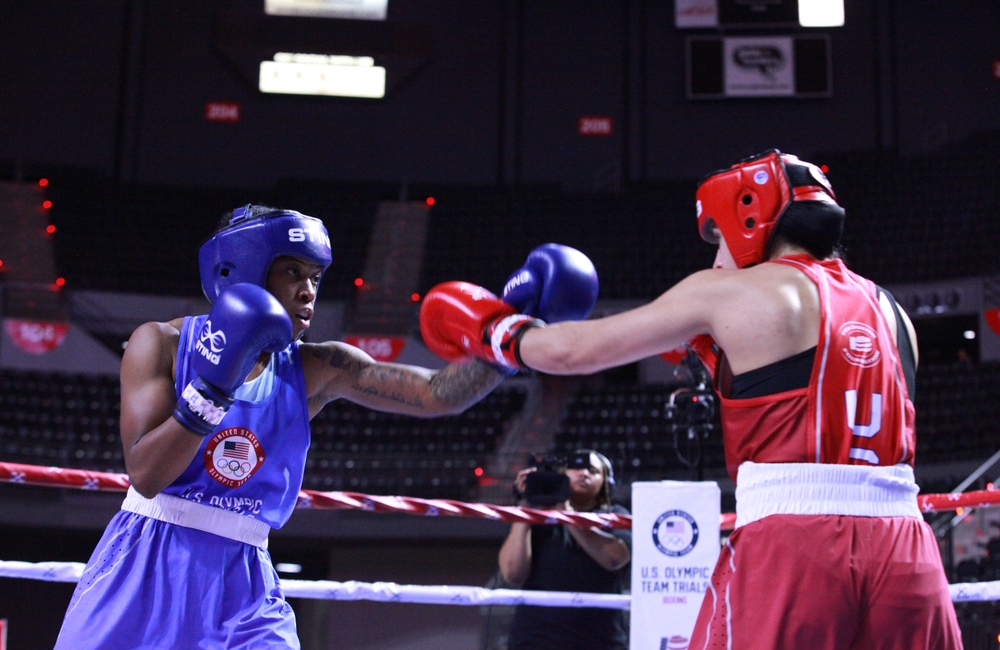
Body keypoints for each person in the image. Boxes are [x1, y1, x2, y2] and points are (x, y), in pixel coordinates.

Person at [420, 149, 964, 649]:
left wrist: (497, 329)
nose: (720, 253)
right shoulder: (893, 311)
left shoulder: (733, 292)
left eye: (719, 235)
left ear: (749, 217)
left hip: (795, 541)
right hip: (907, 545)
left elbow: (569, 354)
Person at [54, 204, 598, 649]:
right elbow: (146, 473)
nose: (309, 290)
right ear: (240, 268)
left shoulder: (315, 365)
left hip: (244, 576)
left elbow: (437, 395)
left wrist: (505, 333)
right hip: (149, 559)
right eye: (292, 271)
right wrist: (216, 385)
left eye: (315, 277)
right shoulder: (163, 344)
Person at [499, 449, 631, 650]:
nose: (583, 474)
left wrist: (566, 513)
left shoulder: (614, 515)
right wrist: (524, 508)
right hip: (535, 640)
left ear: (606, 483)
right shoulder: (535, 518)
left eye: (592, 470)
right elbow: (512, 574)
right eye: (575, 468)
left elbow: (614, 558)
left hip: (599, 641)